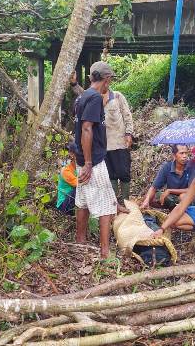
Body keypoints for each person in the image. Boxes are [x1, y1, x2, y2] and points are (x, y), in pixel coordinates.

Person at [73, 61, 127, 259]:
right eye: (110, 80)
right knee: (106, 206)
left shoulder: (82, 97)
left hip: (82, 157)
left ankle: (80, 241)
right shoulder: (95, 97)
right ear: (106, 79)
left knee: (83, 201)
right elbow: (86, 128)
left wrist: (79, 158)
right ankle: (105, 252)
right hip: (93, 160)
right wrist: (88, 163)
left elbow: (76, 129)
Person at [70, 72, 134, 205]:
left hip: (118, 142)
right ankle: (114, 203)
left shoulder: (117, 96)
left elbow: (127, 115)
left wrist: (129, 133)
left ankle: (125, 201)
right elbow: (82, 94)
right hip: (101, 146)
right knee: (110, 175)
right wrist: (74, 84)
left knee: (123, 173)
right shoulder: (93, 98)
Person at [140, 144, 195, 210]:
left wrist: (170, 190)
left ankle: (181, 215)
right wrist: (147, 200)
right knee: (149, 197)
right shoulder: (167, 167)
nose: (185, 156)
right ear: (174, 155)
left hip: (188, 198)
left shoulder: (192, 167)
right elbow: (154, 187)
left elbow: (191, 189)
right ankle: (167, 209)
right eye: (181, 153)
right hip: (172, 198)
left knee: (182, 197)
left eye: (186, 153)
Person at [55, 142, 78, 215]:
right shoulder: (66, 170)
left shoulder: (82, 168)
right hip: (64, 206)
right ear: (72, 154)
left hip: (74, 202)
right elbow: (80, 184)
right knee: (80, 188)